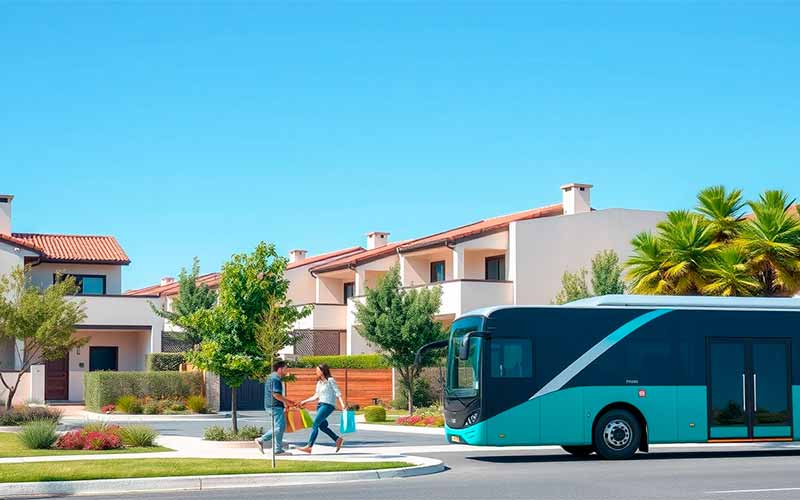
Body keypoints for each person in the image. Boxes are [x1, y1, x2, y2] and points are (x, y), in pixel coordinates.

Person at [296, 363, 345, 454]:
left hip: (328, 405)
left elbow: (338, 393)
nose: (316, 372)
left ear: (323, 371)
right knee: (322, 426)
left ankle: (309, 447)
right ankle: (337, 439)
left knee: (315, 424)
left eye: (317, 370)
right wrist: (304, 401)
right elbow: (316, 396)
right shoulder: (319, 382)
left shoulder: (330, 380)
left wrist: (342, 405)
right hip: (320, 405)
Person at [255, 360, 296, 455]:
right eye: (285, 369)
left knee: (280, 427)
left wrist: (286, 403)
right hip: (275, 406)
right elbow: (276, 394)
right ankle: (261, 439)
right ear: (280, 369)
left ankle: (278, 449)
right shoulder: (276, 379)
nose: (287, 371)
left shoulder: (271, 377)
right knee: (279, 427)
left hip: (272, 405)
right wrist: (288, 402)